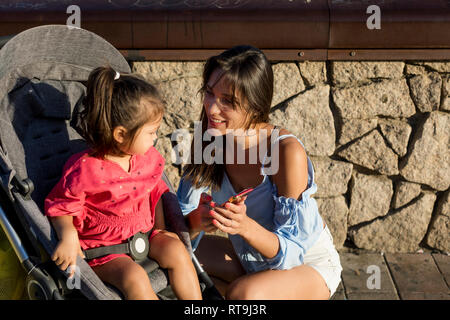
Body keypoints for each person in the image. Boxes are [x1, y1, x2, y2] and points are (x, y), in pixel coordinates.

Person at [177, 45, 343, 300]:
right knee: (171, 257)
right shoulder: (209, 138)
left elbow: (293, 253)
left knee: (244, 295)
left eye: (228, 101)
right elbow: (180, 218)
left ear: (255, 104)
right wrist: (197, 222)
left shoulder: (285, 152)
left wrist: (244, 227)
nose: (212, 109)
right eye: (210, 93)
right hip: (251, 260)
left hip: (305, 266)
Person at [45, 66, 202, 300]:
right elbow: (61, 206)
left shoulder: (146, 159)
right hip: (103, 251)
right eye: (151, 133)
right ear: (120, 134)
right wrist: (68, 236)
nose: (156, 138)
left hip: (145, 235)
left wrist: (160, 229)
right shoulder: (86, 170)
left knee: (177, 250)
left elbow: (155, 190)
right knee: (135, 278)